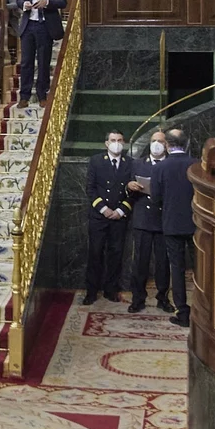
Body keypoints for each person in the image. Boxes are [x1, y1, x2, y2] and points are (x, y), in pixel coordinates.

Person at [147, 129, 196, 326]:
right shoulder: (197, 164)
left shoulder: (160, 168)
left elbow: (156, 198)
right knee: (201, 269)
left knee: (177, 269)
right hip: (196, 224)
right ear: (187, 143)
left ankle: (182, 313)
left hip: (171, 224)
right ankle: (205, 311)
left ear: (167, 145)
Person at [84, 130, 134, 305]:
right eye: (113, 140)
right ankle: (91, 291)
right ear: (106, 143)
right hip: (99, 217)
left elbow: (133, 191)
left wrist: (120, 211)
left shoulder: (130, 163)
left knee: (116, 254)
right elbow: (90, 189)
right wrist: (103, 209)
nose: (117, 143)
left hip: (119, 217)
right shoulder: (96, 161)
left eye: (120, 140)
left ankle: (110, 290)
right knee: (95, 253)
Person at [126, 129, 174, 312]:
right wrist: (129, 186)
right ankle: (138, 298)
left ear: (167, 145)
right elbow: (128, 187)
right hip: (143, 220)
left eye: (160, 141)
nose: (156, 144)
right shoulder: (138, 164)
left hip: (163, 220)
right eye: (154, 140)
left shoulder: (171, 164)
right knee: (140, 262)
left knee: (163, 263)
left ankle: (163, 298)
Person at [16, 0, 65, 107]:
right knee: (26, 62)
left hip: (45, 25)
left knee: (44, 61)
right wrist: (24, 4)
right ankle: (24, 96)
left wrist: (47, 2)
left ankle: (42, 94)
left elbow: (63, 2)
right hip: (29, 24)